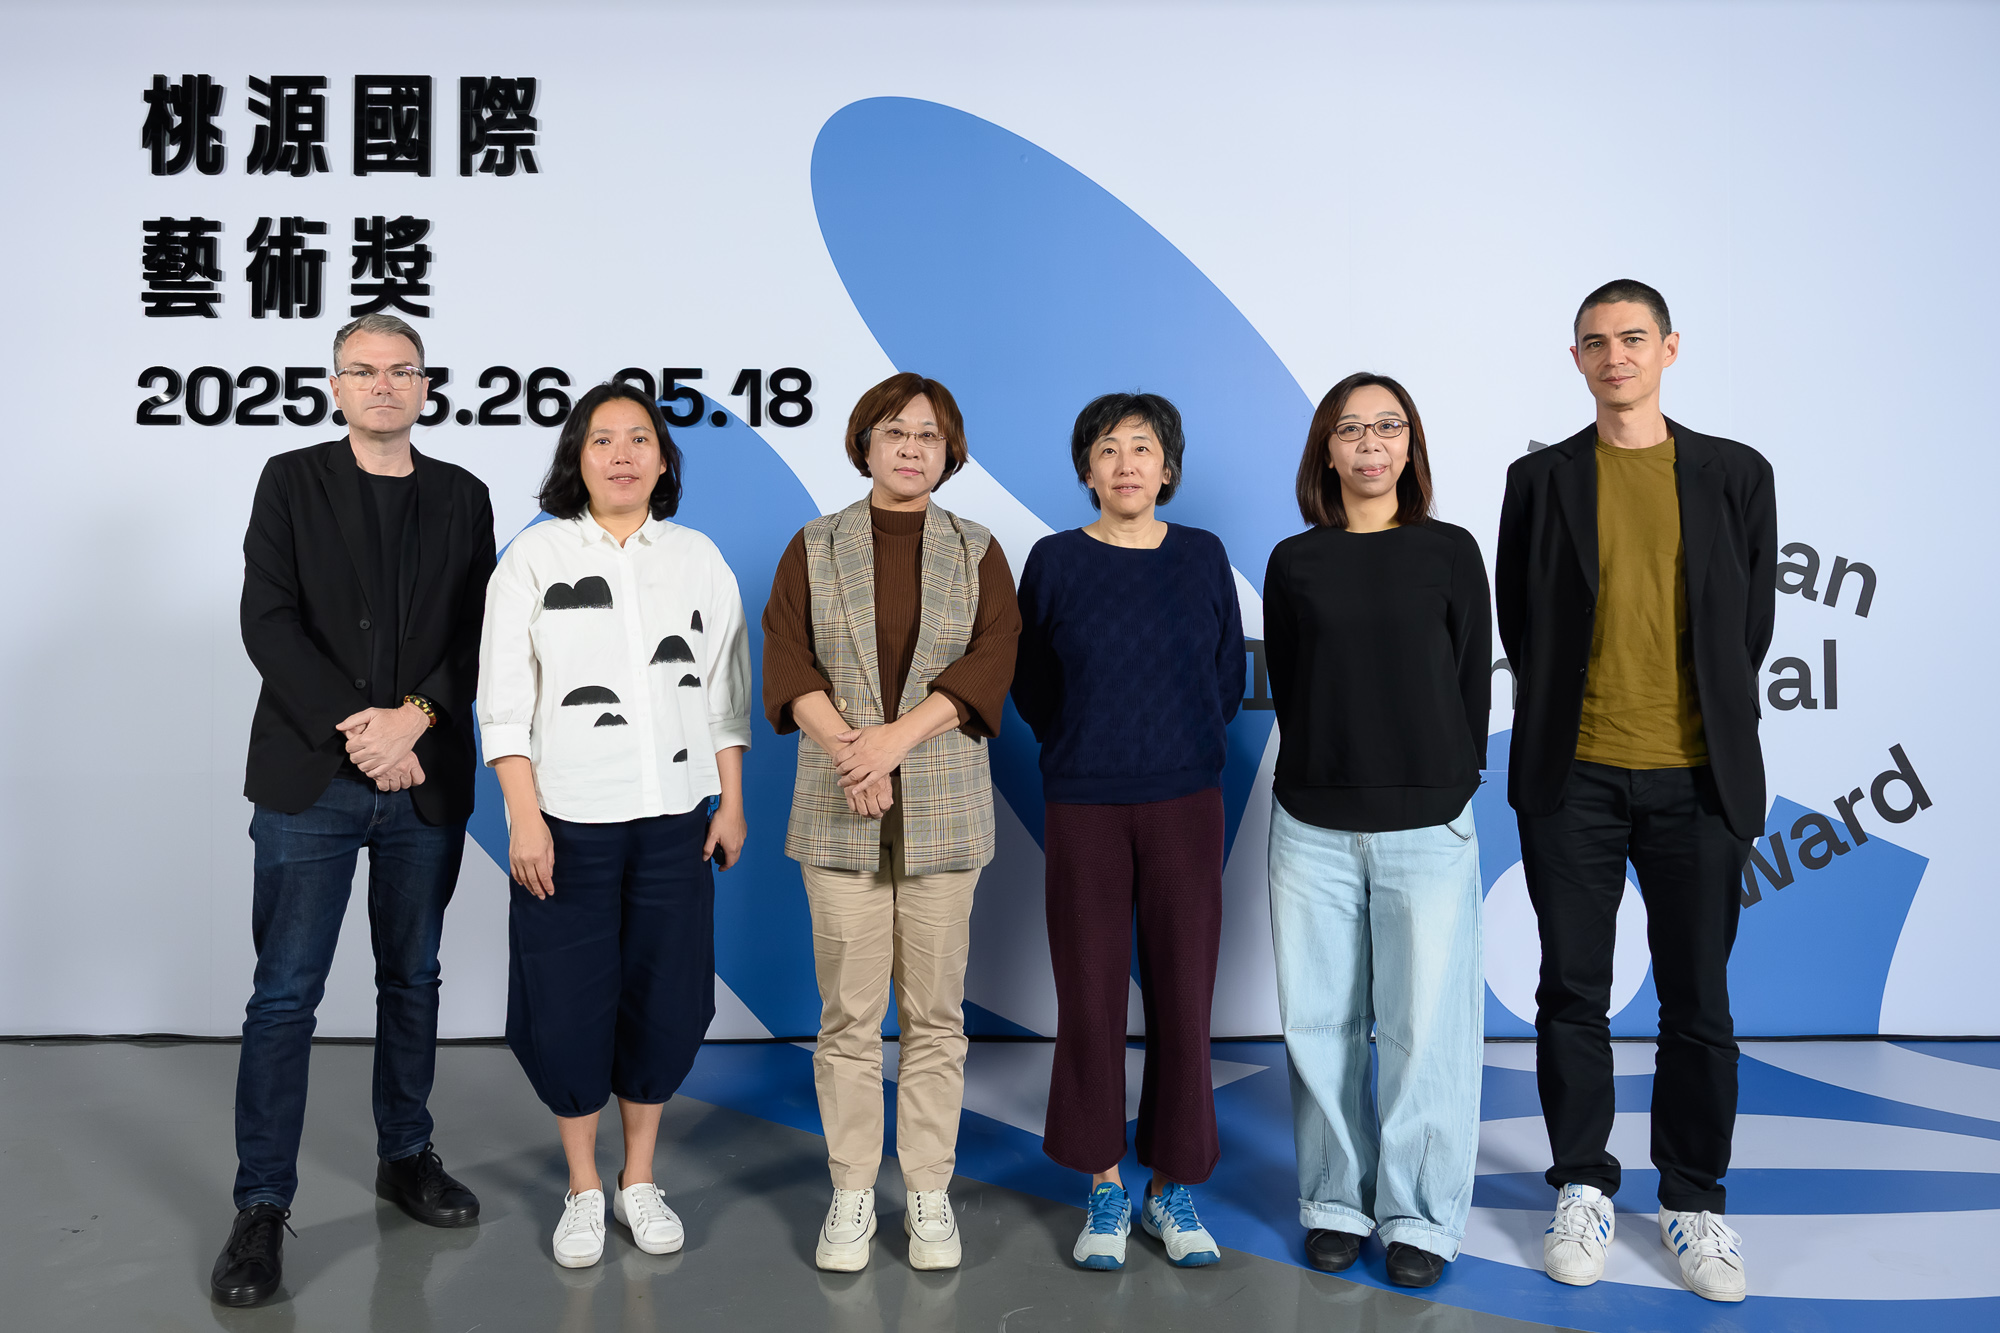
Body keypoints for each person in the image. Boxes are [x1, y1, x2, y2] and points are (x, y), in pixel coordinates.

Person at [1497, 280, 1776, 1303]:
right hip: (1570, 780)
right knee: (1571, 991)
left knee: (1697, 1001)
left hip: (1697, 782)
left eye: (1630, 339)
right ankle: (1579, 1183)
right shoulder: (1538, 480)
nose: (1612, 356)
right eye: (1593, 343)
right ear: (1574, 360)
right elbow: (1520, 626)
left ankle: (1694, 1201)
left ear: (1667, 349)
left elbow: (1746, 629)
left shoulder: (1733, 474)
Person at [215, 313, 495, 1307]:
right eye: (362, 371)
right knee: (285, 993)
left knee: (411, 975)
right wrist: (358, 726)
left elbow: (477, 635)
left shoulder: (463, 496)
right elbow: (267, 618)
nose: (382, 384)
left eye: (400, 370)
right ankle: (259, 1207)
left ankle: (406, 1152)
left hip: (421, 778)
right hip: (311, 779)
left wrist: (411, 720)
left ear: (426, 386)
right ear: (334, 386)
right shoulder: (290, 480)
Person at [477, 381, 751, 1268]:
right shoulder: (533, 557)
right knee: (566, 1005)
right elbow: (506, 702)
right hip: (567, 823)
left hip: (677, 823)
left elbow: (723, 693)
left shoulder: (699, 557)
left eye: (641, 438)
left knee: (667, 999)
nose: (624, 453)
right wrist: (524, 817)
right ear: (578, 458)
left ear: (664, 459)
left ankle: (640, 1176)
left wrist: (731, 798)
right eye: (603, 440)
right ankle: (583, 1187)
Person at [762, 372, 1020, 1272]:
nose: (911, 447)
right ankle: (850, 1190)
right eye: (894, 430)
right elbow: (788, 655)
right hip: (839, 812)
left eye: (929, 435)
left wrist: (893, 745)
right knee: (848, 1017)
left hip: (943, 806)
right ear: (863, 442)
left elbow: (993, 660)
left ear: (950, 453)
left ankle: (929, 1190)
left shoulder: (978, 548)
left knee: (936, 1018)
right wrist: (851, 754)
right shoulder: (813, 543)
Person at [1263, 372, 1492, 1289]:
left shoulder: (1450, 549)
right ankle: (1334, 1202)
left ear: (1410, 445)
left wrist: (1444, 777)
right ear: (1327, 449)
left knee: (1423, 1026)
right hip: (1311, 820)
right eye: (1351, 429)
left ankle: (1419, 1215)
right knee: (1320, 1022)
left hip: (1426, 818)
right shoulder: (1294, 561)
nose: (1370, 444)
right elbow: (1289, 676)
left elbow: (1472, 676)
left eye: (1387, 427)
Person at [1011, 393, 1243, 1271]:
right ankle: (1104, 1183)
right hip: (1085, 802)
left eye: (1143, 449)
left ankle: (1170, 1185)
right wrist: (1085, 746)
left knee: (1185, 994)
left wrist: (1182, 746)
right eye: (1108, 450)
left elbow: (1224, 674)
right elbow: (1033, 681)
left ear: (1168, 468)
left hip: (1186, 798)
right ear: (1087, 471)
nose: (1126, 465)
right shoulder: (1056, 561)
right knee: (1092, 994)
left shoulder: (1202, 556)